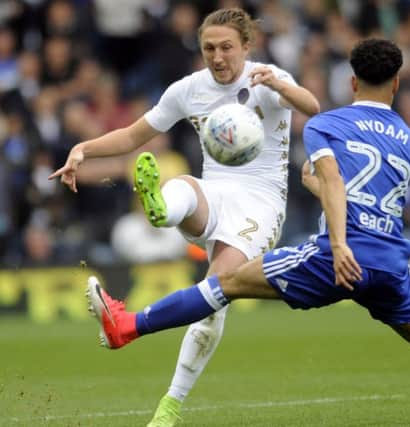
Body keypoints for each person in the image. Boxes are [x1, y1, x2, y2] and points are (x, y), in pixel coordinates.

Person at [85, 38, 410, 420]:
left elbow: (334, 180)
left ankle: (127, 327)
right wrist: (321, 190)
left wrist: (336, 243)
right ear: (396, 84)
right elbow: (363, 191)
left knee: (225, 283)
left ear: (351, 80)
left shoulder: (327, 124)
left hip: (340, 253)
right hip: (390, 259)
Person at [50, 7, 320, 427]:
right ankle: (159, 210)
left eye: (227, 47)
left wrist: (281, 84)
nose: (217, 57)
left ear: (247, 46)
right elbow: (132, 136)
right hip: (214, 193)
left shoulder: (267, 77)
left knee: (213, 301)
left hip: (261, 204)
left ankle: (169, 406)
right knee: (182, 185)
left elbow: (314, 107)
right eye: (209, 48)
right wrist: (84, 148)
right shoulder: (189, 89)